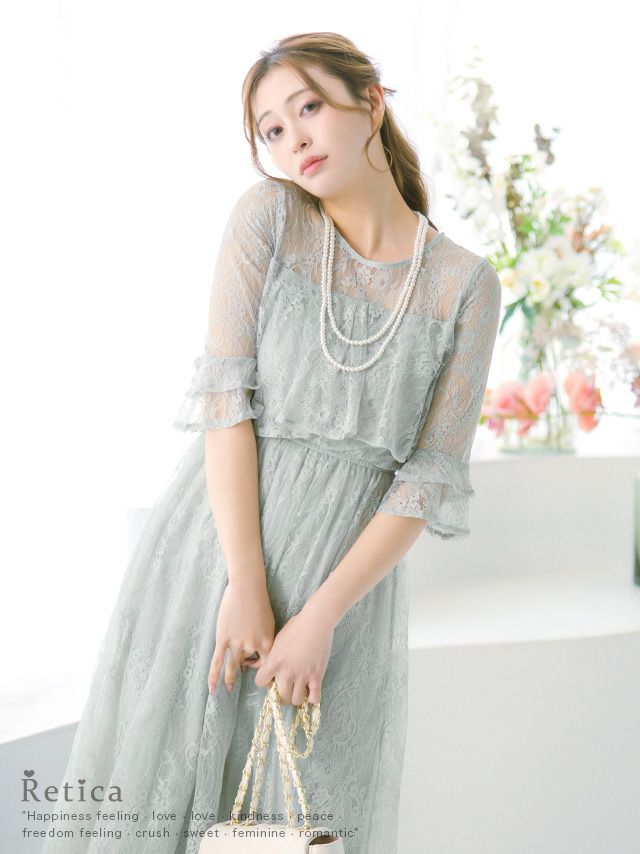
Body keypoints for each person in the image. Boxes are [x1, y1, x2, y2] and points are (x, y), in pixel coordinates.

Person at [41, 31, 501, 854]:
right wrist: (246, 582)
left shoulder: (464, 284)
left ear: (371, 101)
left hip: (343, 604)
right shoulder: (270, 219)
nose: (294, 141)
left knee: (301, 824)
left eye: (308, 108)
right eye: (272, 130)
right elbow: (226, 404)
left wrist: (319, 616)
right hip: (214, 567)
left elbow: (428, 477)